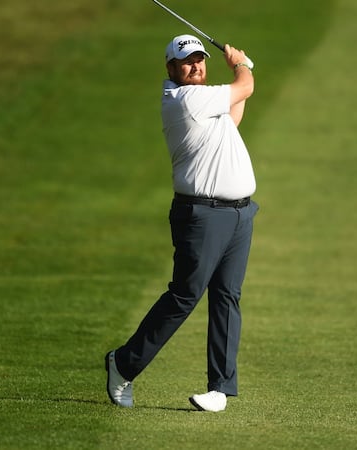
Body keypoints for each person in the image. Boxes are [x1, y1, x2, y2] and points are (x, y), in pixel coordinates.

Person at [104, 34, 258, 412]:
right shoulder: (185, 100)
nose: (196, 66)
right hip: (203, 215)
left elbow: (234, 111)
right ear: (171, 68)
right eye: (187, 61)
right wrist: (240, 64)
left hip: (240, 214)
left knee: (227, 297)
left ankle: (220, 388)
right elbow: (244, 86)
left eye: (200, 59)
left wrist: (243, 77)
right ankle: (123, 364)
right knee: (185, 296)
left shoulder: (205, 103)